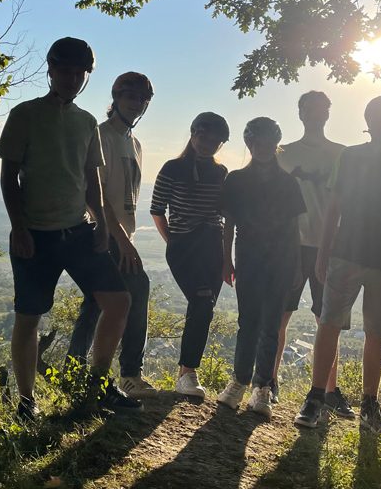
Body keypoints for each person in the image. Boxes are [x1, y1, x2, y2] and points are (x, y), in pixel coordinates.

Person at [0, 37, 141, 421]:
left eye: (80, 73)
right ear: (51, 70)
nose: (72, 79)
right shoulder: (25, 115)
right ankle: (26, 401)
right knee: (29, 317)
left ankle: (98, 384)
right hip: (35, 235)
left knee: (119, 302)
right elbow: (9, 177)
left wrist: (102, 225)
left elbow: (91, 179)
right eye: (65, 71)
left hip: (78, 231)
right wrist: (19, 228)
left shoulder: (85, 122)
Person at [294, 96, 381, 433]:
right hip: (350, 255)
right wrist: (323, 253)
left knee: (374, 332)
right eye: (378, 118)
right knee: (331, 324)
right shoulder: (351, 157)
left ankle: (367, 403)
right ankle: (317, 397)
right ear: (369, 121)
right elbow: (334, 208)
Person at [66, 72, 159, 399]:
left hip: (120, 235)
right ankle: (129, 374)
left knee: (96, 303)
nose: (136, 103)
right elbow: (97, 195)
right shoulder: (101, 135)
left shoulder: (135, 143)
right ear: (116, 97)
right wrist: (121, 239)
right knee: (137, 288)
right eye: (130, 96)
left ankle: (75, 373)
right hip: (101, 233)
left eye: (142, 99)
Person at [216, 117, 306, 420]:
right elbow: (228, 224)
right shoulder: (236, 180)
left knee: (271, 326)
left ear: (276, 145)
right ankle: (239, 382)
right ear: (249, 143)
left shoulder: (288, 183)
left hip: (281, 260)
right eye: (257, 142)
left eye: (269, 143)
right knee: (248, 323)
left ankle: (262, 388)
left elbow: (294, 228)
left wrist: (296, 265)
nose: (263, 148)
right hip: (249, 258)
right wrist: (226, 260)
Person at [274, 91, 354, 418]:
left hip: (330, 247)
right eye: (310, 108)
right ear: (300, 112)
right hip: (291, 245)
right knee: (280, 315)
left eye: (322, 108)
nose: (316, 113)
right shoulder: (283, 153)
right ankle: (269, 381)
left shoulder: (342, 154)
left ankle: (329, 391)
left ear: (329, 113)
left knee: (328, 320)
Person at [150, 112, 230, 400]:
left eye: (215, 140)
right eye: (203, 136)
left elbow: (225, 214)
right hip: (184, 246)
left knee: (204, 306)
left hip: (213, 245)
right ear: (193, 133)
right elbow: (157, 209)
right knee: (201, 299)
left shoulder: (221, 173)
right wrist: (174, 242)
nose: (208, 143)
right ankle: (187, 373)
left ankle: (186, 373)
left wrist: (227, 257)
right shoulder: (172, 169)